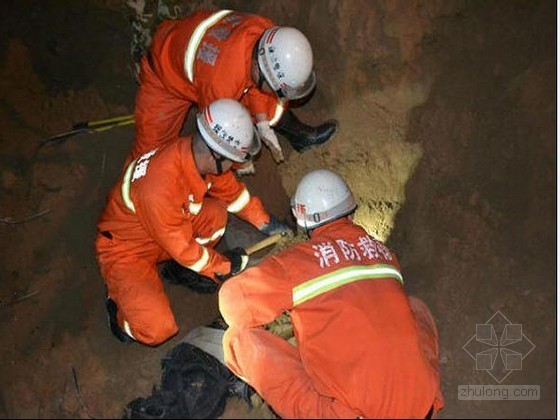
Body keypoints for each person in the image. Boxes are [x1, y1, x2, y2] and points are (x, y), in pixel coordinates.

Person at [219, 169, 445, 418]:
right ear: (350, 209)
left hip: (356, 414)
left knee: (239, 339)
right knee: (414, 306)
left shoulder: (299, 263)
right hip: (424, 407)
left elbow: (231, 304)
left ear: (304, 221)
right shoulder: (385, 254)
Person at [95, 98, 290, 347]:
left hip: (162, 231)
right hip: (126, 249)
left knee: (217, 216)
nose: (236, 166)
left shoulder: (195, 157)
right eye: (233, 160)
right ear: (216, 155)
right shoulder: (158, 187)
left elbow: (232, 194)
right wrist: (224, 265)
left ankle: (177, 270)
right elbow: (185, 250)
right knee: (158, 330)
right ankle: (119, 311)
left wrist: (266, 223)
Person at [131, 8, 337, 168]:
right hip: (164, 74)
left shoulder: (266, 34)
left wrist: (263, 121)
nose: (275, 92)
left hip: (205, 58)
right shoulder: (220, 84)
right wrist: (239, 161)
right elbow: (218, 133)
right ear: (258, 68)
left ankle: (300, 136)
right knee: (149, 159)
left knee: (268, 99)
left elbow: (258, 80)